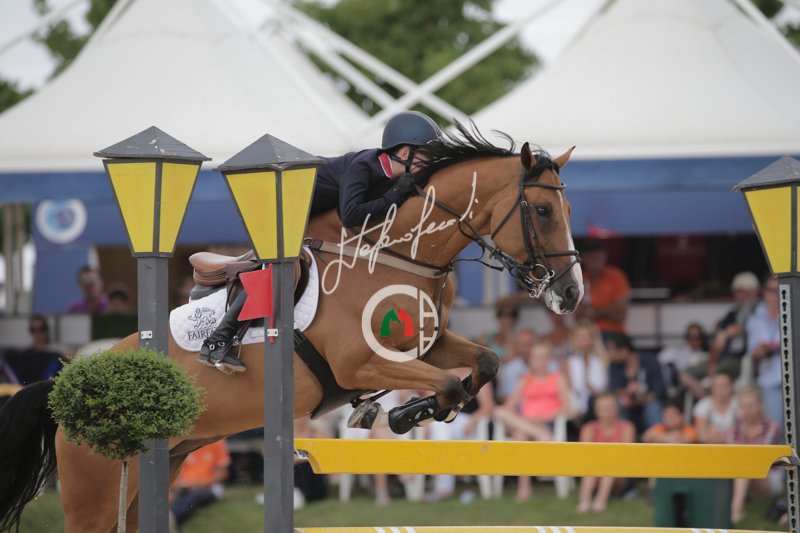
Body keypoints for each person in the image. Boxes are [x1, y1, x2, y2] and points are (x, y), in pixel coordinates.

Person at [198, 111, 443, 373]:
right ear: (404, 152)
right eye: (426, 157)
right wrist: (395, 195)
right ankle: (218, 341)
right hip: (273, 205)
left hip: (303, 212)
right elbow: (352, 216)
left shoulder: (387, 174)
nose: (429, 164)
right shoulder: (363, 166)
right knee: (280, 268)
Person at [493, 342, 571, 502]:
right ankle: (540, 435)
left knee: (520, 435)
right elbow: (509, 406)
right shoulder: (525, 379)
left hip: (547, 423)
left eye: (543, 358)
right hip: (529, 424)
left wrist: (542, 418)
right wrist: (522, 420)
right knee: (499, 411)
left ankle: (524, 488)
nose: (539, 362)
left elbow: (566, 408)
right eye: (536, 358)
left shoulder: (558, 378)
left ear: (548, 360)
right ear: (531, 360)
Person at [728, 387, 783, 524]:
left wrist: (741, 449)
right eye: (744, 406)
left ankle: (735, 510)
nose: (748, 410)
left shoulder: (771, 426)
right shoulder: (736, 427)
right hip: (741, 475)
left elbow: (761, 456)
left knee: (745, 464)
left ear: (760, 406)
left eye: (751, 405)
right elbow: (729, 452)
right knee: (743, 464)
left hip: (768, 477)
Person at [576, 392, 636, 514]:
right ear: (596, 410)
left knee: (609, 466)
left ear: (616, 409)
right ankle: (585, 501)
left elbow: (626, 454)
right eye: (602, 408)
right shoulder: (589, 428)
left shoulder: (627, 427)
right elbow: (584, 453)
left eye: (609, 407)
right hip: (594, 470)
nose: (606, 411)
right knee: (593, 468)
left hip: (619, 474)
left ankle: (600, 501)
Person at [606, 332, 665, 434]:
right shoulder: (614, 365)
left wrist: (637, 398)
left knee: (653, 407)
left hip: (646, 402)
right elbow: (614, 390)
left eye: (612, 350)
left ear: (624, 350)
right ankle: (620, 438)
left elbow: (658, 392)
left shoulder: (650, 361)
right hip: (626, 404)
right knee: (616, 405)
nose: (609, 353)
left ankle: (658, 437)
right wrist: (628, 392)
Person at [706, 271, 760, 380]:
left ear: (755, 292)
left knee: (718, 374)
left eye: (745, 291)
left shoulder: (760, 311)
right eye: (738, 291)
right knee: (689, 372)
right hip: (725, 357)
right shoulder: (732, 314)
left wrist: (743, 330)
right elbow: (719, 340)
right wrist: (712, 361)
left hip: (745, 359)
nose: (741, 295)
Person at [574, 240, 631, 339]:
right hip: (588, 335)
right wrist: (608, 310)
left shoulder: (616, 277)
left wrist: (594, 313)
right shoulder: (580, 279)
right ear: (584, 259)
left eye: (597, 258)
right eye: (591, 259)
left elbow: (620, 314)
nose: (594, 263)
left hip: (613, 333)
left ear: (604, 257)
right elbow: (578, 317)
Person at [170, 439, 231, 528]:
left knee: (191, 497)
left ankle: (172, 524)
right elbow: (178, 472)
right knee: (177, 498)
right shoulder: (186, 441)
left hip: (209, 488)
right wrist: (177, 485)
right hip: (186, 487)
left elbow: (223, 474)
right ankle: (170, 524)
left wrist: (200, 484)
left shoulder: (217, 441)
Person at [746, 276, 782, 425]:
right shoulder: (755, 318)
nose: (774, 294)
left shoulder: (794, 310)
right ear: (764, 292)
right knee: (776, 423)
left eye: (777, 290)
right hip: (770, 376)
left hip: (794, 375)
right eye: (770, 290)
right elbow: (752, 353)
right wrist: (762, 350)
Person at [562, 321, 608, 421]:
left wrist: (595, 392)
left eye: (586, 337)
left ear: (593, 339)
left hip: (598, 404)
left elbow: (606, 388)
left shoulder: (602, 361)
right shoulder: (568, 362)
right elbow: (567, 389)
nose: (583, 340)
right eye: (579, 337)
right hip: (575, 406)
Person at [3, 315, 64, 385]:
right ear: (30, 331)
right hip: (29, 387)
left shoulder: (56, 351)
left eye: (41, 329)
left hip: (47, 387)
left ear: (46, 329)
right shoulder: (26, 354)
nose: (37, 333)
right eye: (33, 330)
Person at [659, 322, 708, 399]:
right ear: (686, 337)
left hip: (699, 384)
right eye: (690, 337)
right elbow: (661, 361)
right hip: (678, 384)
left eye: (697, 337)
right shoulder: (675, 351)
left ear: (702, 338)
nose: (693, 340)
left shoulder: (705, 355)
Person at [693, 372, 737, 444]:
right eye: (718, 386)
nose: (721, 389)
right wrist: (727, 435)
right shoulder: (702, 406)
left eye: (725, 385)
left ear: (731, 387)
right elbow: (701, 436)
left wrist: (718, 436)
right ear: (712, 388)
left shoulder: (739, 405)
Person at [495, 328, 536, 404]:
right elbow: (504, 397)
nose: (527, 348)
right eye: (524, 344)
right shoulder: (509, 369)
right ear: (517, 346)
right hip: (517, 408)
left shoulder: (551, 365)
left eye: (530, 344)